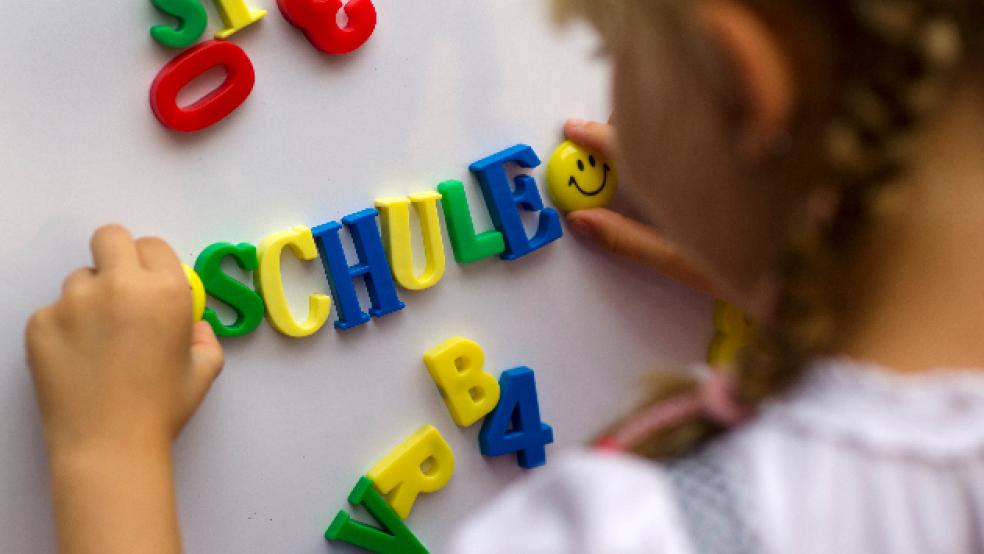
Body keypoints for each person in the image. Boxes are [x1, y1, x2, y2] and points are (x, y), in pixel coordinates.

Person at [25, 0, 984, 551]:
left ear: (741, 93)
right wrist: (805, 274)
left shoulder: (627, 537)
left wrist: (105, 461)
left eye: (612, 51)